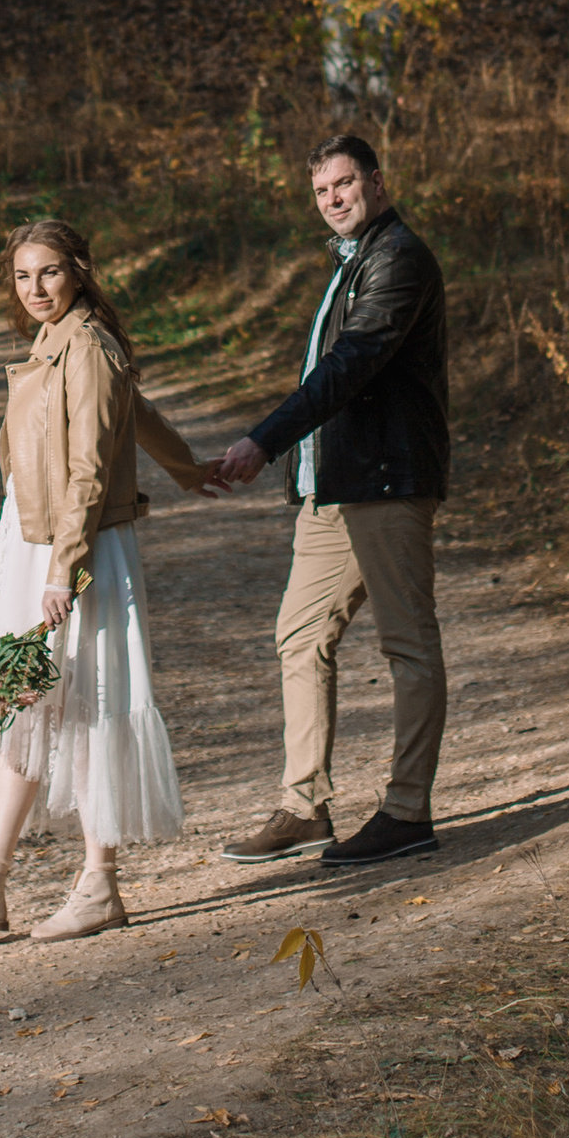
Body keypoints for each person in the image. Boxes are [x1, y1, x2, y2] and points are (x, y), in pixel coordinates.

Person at [0, 216, 205, 941]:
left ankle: (99, 884)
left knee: (92, 697)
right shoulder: (51, 342)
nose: (35, 287)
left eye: (48, 271)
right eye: (22, 276)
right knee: (23, 695)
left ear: (78, 269)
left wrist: (63, 570)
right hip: (32, 542)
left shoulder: (91, 346)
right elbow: (136, 414)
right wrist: (188, 466)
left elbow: (91, 466)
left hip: (79, 551)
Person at [205, 133, 449, 870]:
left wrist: (265, 439)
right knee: (299, 636)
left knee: (407, 643)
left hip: (385, 478)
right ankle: (304, 805)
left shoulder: (397, 258)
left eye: (344, 184)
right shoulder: (353, 263)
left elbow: (351, 366)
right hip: (333, 486)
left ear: (376, 182)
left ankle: (408, 810)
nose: (333, 200)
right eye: (321, 191)